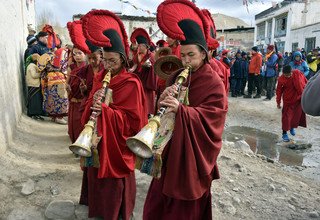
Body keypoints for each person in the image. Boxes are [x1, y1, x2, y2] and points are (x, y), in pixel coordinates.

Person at [143, 1, 228, 219]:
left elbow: (214, 120)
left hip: (191, 154)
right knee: (156, 202)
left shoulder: (213, 82)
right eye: (183, 55)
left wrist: (182, 111)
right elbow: (161, 113)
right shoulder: (175, 76)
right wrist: (162, 102)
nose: (186, 60)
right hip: (170, 150)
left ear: (203, 53)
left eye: (191, 55)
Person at [79, 10, 148, 219]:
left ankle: (117, 212)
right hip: (98, 139)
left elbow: (134, 123)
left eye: (112, 61)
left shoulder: (131, 83)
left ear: (122, 59)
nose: (107, 66)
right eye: (105, 61)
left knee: (115, 184)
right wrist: (93, 102)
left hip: (118, 145)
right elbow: (87, 107)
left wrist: (107, 112)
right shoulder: (100, 77)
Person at [130, 28, 158, 116]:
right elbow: (134, 65)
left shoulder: (151, 55)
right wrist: (131, 70)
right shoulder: (137, 55)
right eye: (139, 46)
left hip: (147, 82)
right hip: (139, 80)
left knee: (147, 100)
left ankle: (147, 114)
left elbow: (154, 66)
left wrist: (148, 66)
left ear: (146, 46)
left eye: (141, 46)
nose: (139, 47)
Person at [276, 65, 307, 142]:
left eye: (289, 74)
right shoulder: (281, 79)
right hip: (288, 100)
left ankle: (292, 127)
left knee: (295, 115)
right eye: (286, 75)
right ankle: (284, 133)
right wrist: (278, 102)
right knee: (286, 117)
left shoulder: (297, 73)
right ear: (283, 73)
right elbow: (279, 91)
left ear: (291, 72)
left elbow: (305, 80)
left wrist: (306, 91)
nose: (288, 76)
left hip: (298, 98)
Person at [25, 54, 44, 120]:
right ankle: (33, 113)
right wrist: (41, 74)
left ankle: (35, 113)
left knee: (35, 100)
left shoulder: (32, 65)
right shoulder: (31, 66)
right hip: (34, 85)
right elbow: (34, 75)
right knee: (34, 100)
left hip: (34, 85)